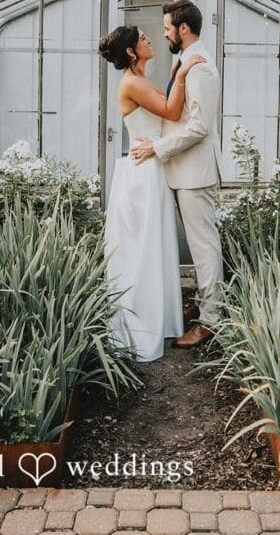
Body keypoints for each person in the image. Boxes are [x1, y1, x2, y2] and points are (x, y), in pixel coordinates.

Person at [98, 25, 206, 362]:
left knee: (152, 246)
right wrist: (184, 71)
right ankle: (139, 324)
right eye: (142, 38)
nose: (149, 40)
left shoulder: (141, 80)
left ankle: (155, 318)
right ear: (131, 51)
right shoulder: (131, 83)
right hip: (141, 175)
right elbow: (172, 112)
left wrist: (177, 73)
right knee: (140, 249)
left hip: (151, 170)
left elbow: (166, 107)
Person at [130, 0, 223, 349]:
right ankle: (204, 306)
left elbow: (199, 127)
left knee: (204, 249)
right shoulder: (184, 62)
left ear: (183, 29)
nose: (165, 33)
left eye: (168, 28)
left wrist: (158, 148)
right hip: (183, 172)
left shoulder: (200, 68)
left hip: (194, 173)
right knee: (200, 247)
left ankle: (211, 320)